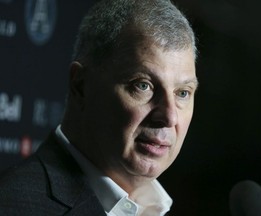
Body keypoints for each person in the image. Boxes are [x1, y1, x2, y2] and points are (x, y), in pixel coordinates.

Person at [0, 0, 198, 215]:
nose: (169, 116)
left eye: (182, 93)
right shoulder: (16, 205)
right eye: (143, 86)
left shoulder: (159, 208)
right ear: (81, 85)